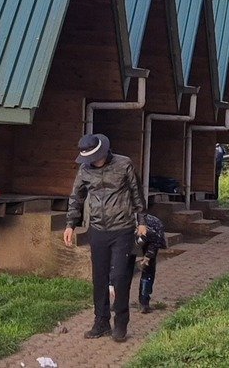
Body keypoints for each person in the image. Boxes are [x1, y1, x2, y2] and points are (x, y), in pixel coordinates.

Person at [63, 133, 148, 343]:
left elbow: (137, 193)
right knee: (99, 277)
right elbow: (76, 197)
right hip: (97, 230)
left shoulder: (124, 164)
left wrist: (142, 221)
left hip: (123, 228)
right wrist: (70, 224)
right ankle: (101, 321)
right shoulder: (84, 170)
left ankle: (121, 323)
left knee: (119, 276)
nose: (91, 161)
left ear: (103, 152)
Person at [134, 212, 168, 313]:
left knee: (148, 269)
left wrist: (148, 257)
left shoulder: (152, 228)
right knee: (123, 269)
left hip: (152, 235)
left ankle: (144, 302)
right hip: (133, 234)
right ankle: (119, 302)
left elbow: (155, 241)